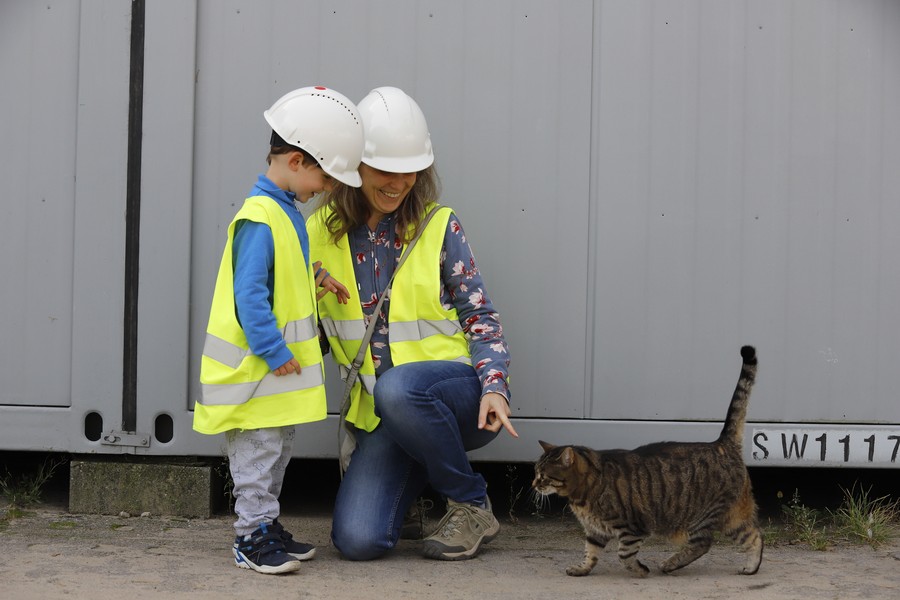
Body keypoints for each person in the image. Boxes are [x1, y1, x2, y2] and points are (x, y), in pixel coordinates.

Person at [307, 86, 517, 562]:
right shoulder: (316, 235)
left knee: (399, 388)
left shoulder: (439, 225)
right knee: (357, 541)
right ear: (355, 167)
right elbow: (314, 335)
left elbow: (479, 315)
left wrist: (495, 385)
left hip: (457, 398)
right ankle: (414, 480)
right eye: (385, 170)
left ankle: (469, 501)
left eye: (410, 171)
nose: (398, 183)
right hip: (383, 417)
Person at [193, 86, 362, 574]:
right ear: (294, 161)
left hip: (274, 380)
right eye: (324, 177)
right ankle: (249, 536)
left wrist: (319, 278)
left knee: (275, 454)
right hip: (255, 375)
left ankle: (265, 525)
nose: (327, 188)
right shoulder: (259, 218)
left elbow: (284, 272)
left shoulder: (284, 211)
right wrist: (272, 350)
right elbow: (250, 296)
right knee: (256, 459)